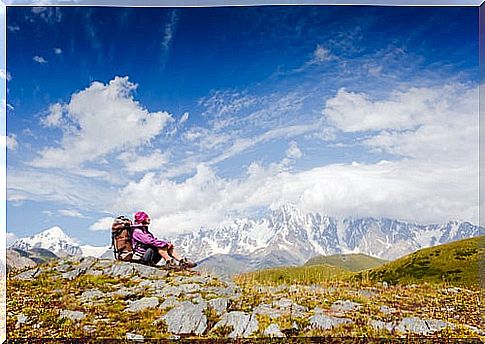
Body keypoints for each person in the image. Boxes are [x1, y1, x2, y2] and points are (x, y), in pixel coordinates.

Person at [131, 211, 197, 269]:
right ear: (142, 219)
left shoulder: (143, 230)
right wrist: (164, 244)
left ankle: (182, 261)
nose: (149, 219)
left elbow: (152, 240)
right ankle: (169, 262)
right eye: (146, 217)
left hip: (148, 255)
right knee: (159, 246)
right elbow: (150, 241)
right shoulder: (137, 232)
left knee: (164, 245)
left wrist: (166, 244)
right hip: (143, 257)